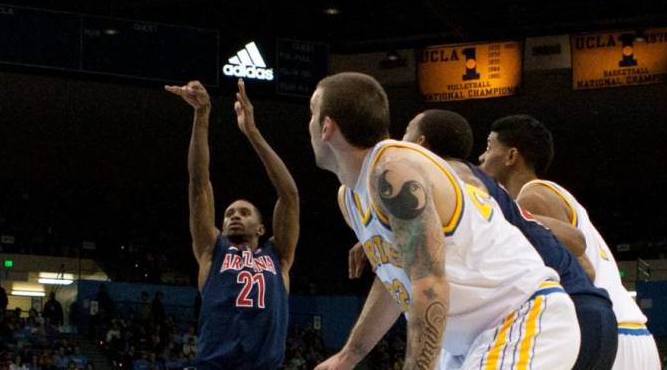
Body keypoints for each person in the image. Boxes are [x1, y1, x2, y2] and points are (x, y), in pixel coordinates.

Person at [305, 73, 577, 370]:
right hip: (469, 342)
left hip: (518, 317)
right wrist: (349, 355)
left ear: (327, 127)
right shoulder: (350, 197)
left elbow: (428, 282)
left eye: (312, 113)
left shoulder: (393, 171)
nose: (308, 124)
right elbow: (395, 281)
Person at [391, 111, 616, 370]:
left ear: (420, 143)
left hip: (566, 314)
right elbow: (583, 257)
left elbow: (577, 242)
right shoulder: (492, 194)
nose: (482, 156)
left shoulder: (458, 176)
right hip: (590, 311)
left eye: (406, 130)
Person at [482, 115, 660, 370]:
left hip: (611, 335)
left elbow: (583, 269)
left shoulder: (532, 196)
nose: (482, 157)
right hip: (629, 332)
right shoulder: (551, 193)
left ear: (511, 156)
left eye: (488, 148)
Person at [165, 79, 297, 370]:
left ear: (262, 229)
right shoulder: (212, 251)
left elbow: (288, 195)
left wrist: (252, 131)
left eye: (244, 212)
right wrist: (202, 116)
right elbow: (199, 184)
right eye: (228, 213)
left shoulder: (279, 257)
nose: (234, 216)